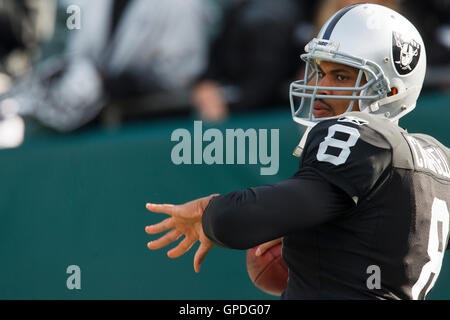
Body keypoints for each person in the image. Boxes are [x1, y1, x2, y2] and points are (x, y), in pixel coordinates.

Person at [145, 4, 450, 300]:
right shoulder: (437, 160)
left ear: (390, 90)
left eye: (342, 77)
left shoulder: (363, 137)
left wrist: (210, 211)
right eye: (319, 71)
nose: (321, 86)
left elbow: (238, 220)